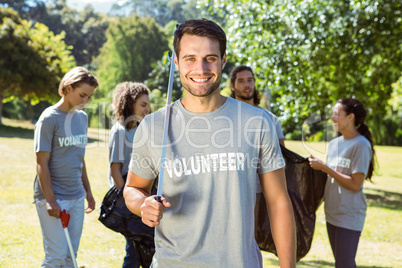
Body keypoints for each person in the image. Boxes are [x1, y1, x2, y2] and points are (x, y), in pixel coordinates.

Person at [123, 19, 296, 268]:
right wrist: (143, 205)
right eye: (190, 58)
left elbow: (278, 201)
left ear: (223, 60)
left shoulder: (257, 122)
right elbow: (133, 188)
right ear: (176, 61)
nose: (200, 68)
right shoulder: (153, 126)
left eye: (210, 58)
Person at [33, 67, 98, 267]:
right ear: (68, 88)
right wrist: (51, 201)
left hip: (76, 196)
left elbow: (79, 157)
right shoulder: (49, 118)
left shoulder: (82, 118)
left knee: (70, 256)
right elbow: (41, 162)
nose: (85, 101)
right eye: (82, 95)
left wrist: (87, 191)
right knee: (56, 256)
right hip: (53, 199)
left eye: (89, 97)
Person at [309, 98, 376, 268]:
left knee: (344, 264)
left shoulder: (361, 145)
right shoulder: (334, 144)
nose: (332, 119)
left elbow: (355, 184)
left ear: (350, 117)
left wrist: (325, 167)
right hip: (332, 213)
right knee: (340, 263)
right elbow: (331, 177)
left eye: (336, 115)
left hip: (349, 214)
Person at [108, 82, 151, 267]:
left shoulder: (141, 129)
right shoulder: (120, 131)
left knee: (145, 246)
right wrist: (127, 200)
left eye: (148, 105)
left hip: (143, 193)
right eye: (143, 105)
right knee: (133, 250)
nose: (147, 109)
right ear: (130, 103)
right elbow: (115, 169)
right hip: (128, 194)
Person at [229, 65, 285, 146]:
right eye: (241, 81)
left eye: (250, 80)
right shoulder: (226, 117)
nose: (247, 85)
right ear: (232, 86)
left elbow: (282, 155)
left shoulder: (270, 119)